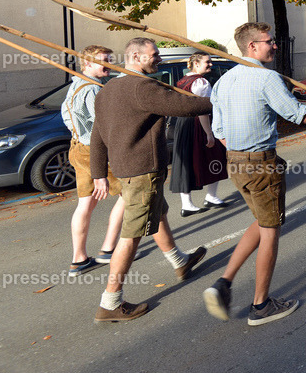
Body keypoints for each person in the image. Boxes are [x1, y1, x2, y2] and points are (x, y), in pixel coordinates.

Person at [204, 22, 306, 326]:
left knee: (262, 221)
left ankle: (223, 282)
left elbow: (220, 130)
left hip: (235, 162)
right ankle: (260, 306)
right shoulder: (266, 78)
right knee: (271, 230)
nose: (275, 46)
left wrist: (241, 151)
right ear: (252, 47)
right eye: (269, 42)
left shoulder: (224, 81)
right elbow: (298, 115)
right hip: (260, 163)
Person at [89, 38, 213, 322]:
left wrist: (99, 174)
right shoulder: (142, 87)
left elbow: (97, 136)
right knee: (131, 235)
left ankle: (180, 263)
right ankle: (110, 302)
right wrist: (225, 97)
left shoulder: (108, 90)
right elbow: (185, 107)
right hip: (141, 171)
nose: (159, 59)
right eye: (154, 54)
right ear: (135, 56)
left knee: (157, 215)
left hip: (126, 169)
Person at [60, 45, 125, 277]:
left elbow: (66, 115)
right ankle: (108, 249)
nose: (108, 63)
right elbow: (103, 127)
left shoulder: (76, 85)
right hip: (94, 151)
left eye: (109, 59)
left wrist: (79, 132)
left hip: (78, 147)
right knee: (130, 193)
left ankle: (78, 259)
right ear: (87, 64)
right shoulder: (93, 90)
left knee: (85, 203)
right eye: (103, 61)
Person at [170, 52, 228, 217]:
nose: (210, 65)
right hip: (198, 125)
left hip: (183, 124)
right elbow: (202, 110)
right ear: (196, 64)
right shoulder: (201, 82)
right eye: (207, 62)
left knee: (186, 161)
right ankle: (210, 196)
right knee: (215, 157)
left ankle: (190, 202)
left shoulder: (182, 80)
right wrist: (209, 133)